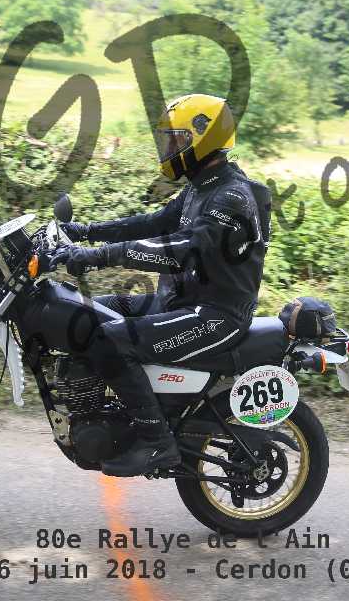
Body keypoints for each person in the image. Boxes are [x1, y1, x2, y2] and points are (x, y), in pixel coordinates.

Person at [48, 93, 272, 477]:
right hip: (179, 301)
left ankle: (156, 441)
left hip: (215, 315)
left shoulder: (231, 196)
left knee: (111, 340)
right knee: (83, 314)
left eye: (176, 138)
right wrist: (85, 232)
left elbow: (182, 250)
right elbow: (153, 224)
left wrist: (98, 257)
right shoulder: (202, 185)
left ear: (203, 138)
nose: (168, 148)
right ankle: (106, 415)